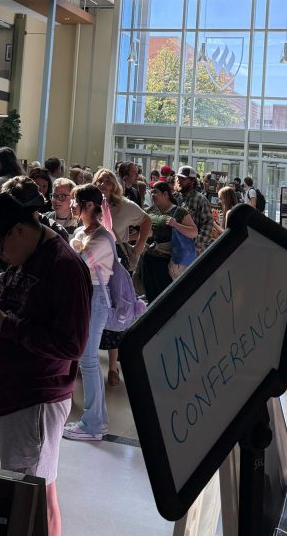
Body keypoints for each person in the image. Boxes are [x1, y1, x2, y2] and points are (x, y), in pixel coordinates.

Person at [0, 193, 91, 536]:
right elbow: (26, 312)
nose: (0, 257)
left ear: (19, 230)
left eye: (0, 247)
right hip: (3, 391)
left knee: (36, 496)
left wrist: (6, 323)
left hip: (36, 397)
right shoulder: (29, 258)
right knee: (6, 491)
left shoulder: (65, 266)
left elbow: (71, 345)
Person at [62, 184, 115, 443]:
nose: (72, 206)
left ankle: (94, 423)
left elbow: (80, 261)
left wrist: (74, 245)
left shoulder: (103, 237)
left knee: (90, 360)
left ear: (90, 206)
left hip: (96, 300)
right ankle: (94, 420)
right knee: (86, 359)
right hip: (83, 297)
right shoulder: (83, 231)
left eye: (76, 201)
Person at [92, 168, 152, 387]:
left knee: (116, 308)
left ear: (115, 184)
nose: (103, 183)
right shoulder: (91, 202)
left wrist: (138, 249)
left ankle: (113, 366)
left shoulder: (124, 205)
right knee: (93, 308)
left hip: (116, 261)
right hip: (93, 261)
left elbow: (146, 221)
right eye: (100, 179)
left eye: (108, 180)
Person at [140, 181, 198, 303]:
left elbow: (194, 232)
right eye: (151, 193)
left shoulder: (179, 212)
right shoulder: (150, 210)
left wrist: (176, 225)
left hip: (166, 263)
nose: (152, 195)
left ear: (165, 194)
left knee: (164, 299)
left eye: (155, 192)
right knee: (150, 296)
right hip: (149, 260)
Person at [176, 165, 216, 255]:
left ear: (192, 181)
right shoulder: (175, 197)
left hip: (191, 251)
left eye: (183, 179)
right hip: (176, 249)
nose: (179, 181)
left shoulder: (201, 200)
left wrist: (196, 246)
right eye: (178, 178)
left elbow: (207, 225)